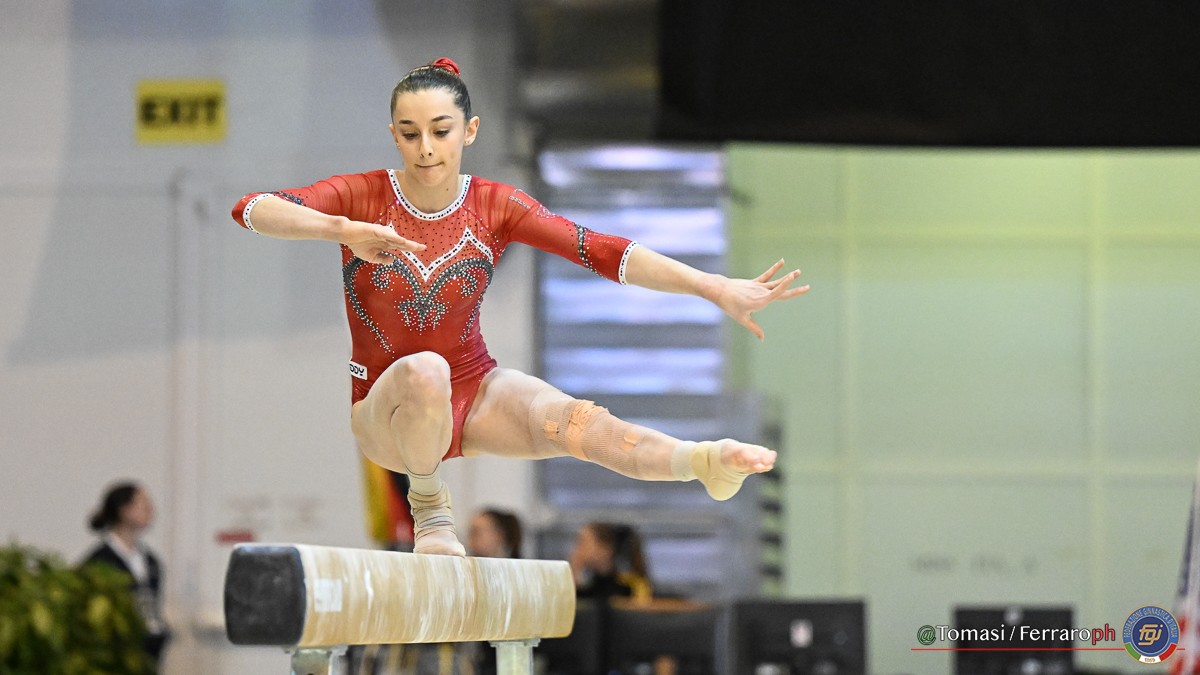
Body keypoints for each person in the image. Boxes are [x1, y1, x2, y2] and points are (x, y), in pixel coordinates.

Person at [230, 56, 808, 557]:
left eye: (441, 130)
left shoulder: (496, 205)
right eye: (409, 133)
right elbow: (251, 208)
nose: (426, 148)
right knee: (426, 370)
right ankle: (430, 505)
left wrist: (713, 286)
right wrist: (341, 228)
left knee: (580, 425)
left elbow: (601, 250)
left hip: (474, 389)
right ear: (394, 135)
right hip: (385, 409)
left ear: (470, 131)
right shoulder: (363, 196)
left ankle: (702, 462)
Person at [81, 481, 170, 667]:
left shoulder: (150, 561)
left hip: (148, 649)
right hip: (115, 652)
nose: (150, 510)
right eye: (143, 504)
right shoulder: (100, 561)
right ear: (124, 510)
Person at [570, 521, 653, 602]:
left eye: (583, 542)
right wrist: (574, 569)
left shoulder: (630, 585)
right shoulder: (591, 585)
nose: (577, 549)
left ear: (605, 548)